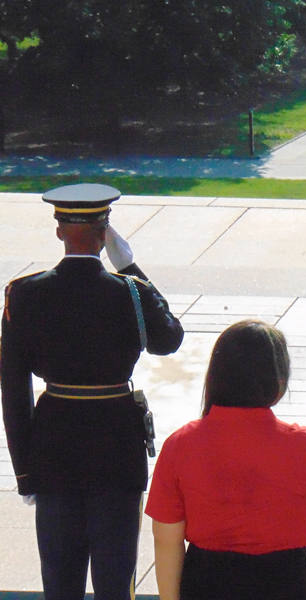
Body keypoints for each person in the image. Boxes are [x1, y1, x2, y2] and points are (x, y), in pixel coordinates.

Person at [0, 183, 184, 599]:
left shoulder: (24, 294)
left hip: (52, 450)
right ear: (106, 233)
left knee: (60, 583)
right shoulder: (131, 293)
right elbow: (169, 338)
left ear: (59, 230)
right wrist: (133, 268)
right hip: (116, 449)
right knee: (115, 582)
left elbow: (13, 389)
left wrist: (25, 471)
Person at [145, 320, 306, 600]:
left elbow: (166, 541)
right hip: (286, 578)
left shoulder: (180, 446)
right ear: (278, 382)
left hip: (208, 578)